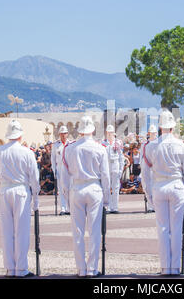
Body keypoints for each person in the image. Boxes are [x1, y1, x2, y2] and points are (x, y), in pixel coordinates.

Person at [141, 110, 184, 275]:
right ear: (173, 127)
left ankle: (165, 267)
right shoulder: (182, 145)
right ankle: (175, 267)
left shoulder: (150, 146)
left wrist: (148, 193)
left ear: (160, 127)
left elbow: (145, 173)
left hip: (159, 186)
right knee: (176, 227)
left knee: (162, 228)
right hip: (176, 185)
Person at [0, 120, 40, 278]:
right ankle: (21, 268)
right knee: (22, 231)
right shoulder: (27, 152)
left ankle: (10, 268)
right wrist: (36, 199)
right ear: (20, 135)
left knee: (6, 231)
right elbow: (34, 179)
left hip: (4, 191)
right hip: (21, 190)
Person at [61, 116, 110, 278]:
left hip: (76, 187)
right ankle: (92, 269)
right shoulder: (100, 148)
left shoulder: (69, 148)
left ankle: (81, 269)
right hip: (94, 187)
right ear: (93, 130)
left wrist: (67, 196)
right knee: (94, 231)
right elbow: (106, 176)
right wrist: (106, 198)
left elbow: (64, 176)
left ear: (80, 130)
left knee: (78, 231)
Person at [102, 125, 124, 214]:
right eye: (108, 133)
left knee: (115, 188)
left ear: (113, 133)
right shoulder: (103, 144)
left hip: (115, 166)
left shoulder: (118, 143)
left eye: (111, 133)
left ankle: (115, 207)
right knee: (106, 187)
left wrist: (120, 170)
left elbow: (121, 158)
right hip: (106, 167)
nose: (109, 134)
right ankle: (107, 207)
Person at [51, 126, 71, 215]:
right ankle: (63, 208)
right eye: (62, 133)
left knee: (69, 189)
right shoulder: (56, 145)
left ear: (67, 134)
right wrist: (54, 170)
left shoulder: (70, 144)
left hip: (68, 169)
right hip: (59, 168)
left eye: (65, 133)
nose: (63, 135)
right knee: (61, 189)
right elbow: (53, 159)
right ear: (59, 134)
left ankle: (69, 208)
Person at [140, 124, 158, 212]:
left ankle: (156, 205)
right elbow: (141, 158)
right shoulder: (144, 144)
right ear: (148, 133)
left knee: (155, 187)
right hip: (146, 167)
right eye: (151, 133)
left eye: (154, 133)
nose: (153, 134)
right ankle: (150, 205)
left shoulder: (159, 144)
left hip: (155, 168)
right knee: (147, 186)